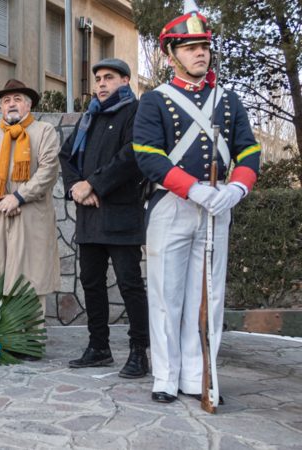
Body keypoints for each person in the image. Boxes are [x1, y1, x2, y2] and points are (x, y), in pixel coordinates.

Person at [133, 0, 260, 403]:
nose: (199, 52)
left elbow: (249, 150)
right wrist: (194, 188)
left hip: (218, 206)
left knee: (209, 296)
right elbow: (147, 154)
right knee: (167, 295)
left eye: (203, 45)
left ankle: (199, 376)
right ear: (172, 54)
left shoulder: (229, 99)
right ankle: (166, 376)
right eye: (189, 47)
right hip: (172, 205)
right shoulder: (155, 100)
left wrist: (237, 188)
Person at [58, 59, 150, 378]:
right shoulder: (90, 117)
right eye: (98, 79)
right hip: (89, 216)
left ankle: (140, 351)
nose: (101, 83)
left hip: (122, 214)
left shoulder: (135, 112)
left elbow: (133, 155)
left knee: (129, 285)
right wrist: (76, 189)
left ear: (125, 81)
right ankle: (99, 347)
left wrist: (94, 183)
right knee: (91, 283)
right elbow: (66, 156)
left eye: (108, 77)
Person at [0, 79, 61, 349]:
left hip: (31, 215)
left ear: (29, 104)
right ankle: (6, 337)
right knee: (0, 273)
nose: (12, 104)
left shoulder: (44, 131)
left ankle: (31, 341)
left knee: (31, 276)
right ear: (0, 107)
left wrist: (18, 196)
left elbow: (48, 171)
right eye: (6, 100)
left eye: (18, 98)